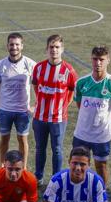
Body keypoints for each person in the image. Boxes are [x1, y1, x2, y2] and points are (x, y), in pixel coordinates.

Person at [72, 46, 111, 186]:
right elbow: (79, 105)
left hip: (101, 136)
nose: (98, 63)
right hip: (82, 133)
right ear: (91, 59)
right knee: (77, 165)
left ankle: (102, 193)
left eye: (101, 59)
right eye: (95, 59)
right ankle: (78, 191)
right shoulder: (81, 83)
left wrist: (105, 121)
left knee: (101, 166)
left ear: (108, 60)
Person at [31, 34, 77, 185]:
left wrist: (63, 106)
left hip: (58, 119)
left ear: (62, 49)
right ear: (47, 49)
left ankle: (56, 179)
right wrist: (40, 102)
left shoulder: (69, 70)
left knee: (57, 149)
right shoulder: (39, 67)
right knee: (40, 148)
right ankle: (38, 176)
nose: (54, 50)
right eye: (51, 47)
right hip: (39, 117)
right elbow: (36, 86)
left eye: (57, 47)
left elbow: (71, 91)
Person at [0, 33, 36, 167]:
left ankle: (23, 167)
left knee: (22, 140)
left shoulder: (30, 64)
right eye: (11, 44)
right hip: (5, 110)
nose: (14, 47)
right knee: (4, 139)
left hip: (23, 111)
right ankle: (2, 165)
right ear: (7, 46)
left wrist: (35, 105)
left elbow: (39, 86)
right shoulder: (0, 65)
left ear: (22, 46)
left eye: (17, 44)